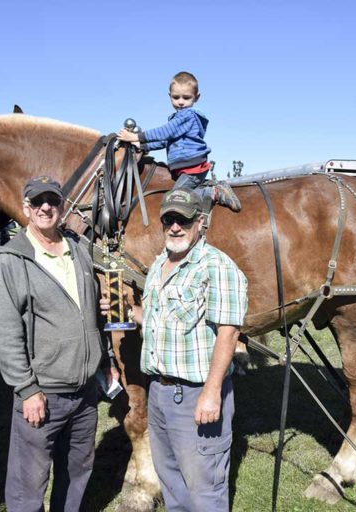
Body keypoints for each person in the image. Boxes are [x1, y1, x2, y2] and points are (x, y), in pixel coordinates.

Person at [100, 189, 247, 511]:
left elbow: (229, 332)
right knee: (172, 483)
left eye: (183, 219)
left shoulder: (217, 266)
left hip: (196, 394)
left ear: (201, 223)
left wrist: (211, 392)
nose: (175, 227)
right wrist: (125, 310)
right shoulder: (159, 266)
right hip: (161, 394)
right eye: (169, 219)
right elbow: (152, 320)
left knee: (204, 488)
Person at [0, 176, 119, 512]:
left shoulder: (77, 249)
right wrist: (27, 389)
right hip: (43, 394)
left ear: (62, 207)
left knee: (76, 474)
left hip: (85, 393)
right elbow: (4, 331)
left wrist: (101, 323)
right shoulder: (12, 259)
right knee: (27, 485)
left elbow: (84, 313)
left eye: (53, 201)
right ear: (27, 209)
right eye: (38, 202)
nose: (46, 207)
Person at [117, 71, 241, 212]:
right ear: (169, 96)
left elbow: (165, 132)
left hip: (192, 167)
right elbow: (165, 141)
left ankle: (214, 192)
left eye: (186, 98)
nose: (181, 102)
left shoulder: (187, 115)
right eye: (176, 97)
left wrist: (136, 137)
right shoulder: (178, 119)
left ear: (197, 97)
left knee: (177, 198)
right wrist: (143, 145)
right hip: (184, 168)